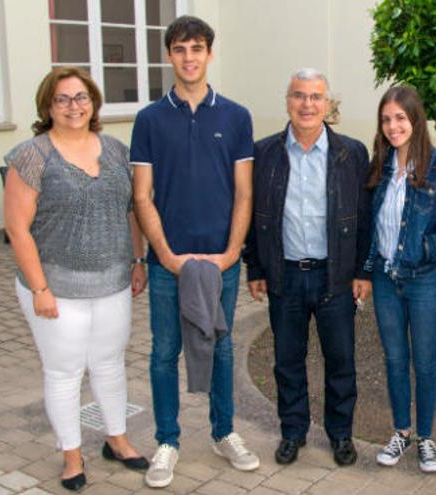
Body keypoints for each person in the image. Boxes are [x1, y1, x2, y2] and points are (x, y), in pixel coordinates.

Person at [3, 67, 149, 492]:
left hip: (114, 283)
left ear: (94, 102)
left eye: (81, 97)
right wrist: (40, 289)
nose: (74, 106)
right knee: (64, 372)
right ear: (48, 106)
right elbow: (17, 228)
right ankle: (71, 455)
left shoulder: (117, 150)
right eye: (63, 99)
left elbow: (130, 211)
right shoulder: (31, 156)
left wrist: (137, 260)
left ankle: (117, 439)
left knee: (109, 365)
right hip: (55, 287)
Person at [131, 16, 258, 488]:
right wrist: (163, 256)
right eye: (180, 48)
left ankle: (224, 433)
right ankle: (167, 441)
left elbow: (243, 194)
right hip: (171, 265)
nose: (189, 57)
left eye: (198, 48)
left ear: (209, 54)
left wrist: (230, 253)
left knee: (221, 349)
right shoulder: (149, 120)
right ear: (169, 55)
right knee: (165, 352)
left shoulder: (235, 116)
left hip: (219, 264)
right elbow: (142, 196)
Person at [244, 68, 371, 467]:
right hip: (284, 276)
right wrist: (255, 268)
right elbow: (251, 215)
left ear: (328, 104)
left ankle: (340, 434)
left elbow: (364, 217)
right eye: (299, 95)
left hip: (334, 277)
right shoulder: (264, 153)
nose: (307, 104)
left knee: (341, 362)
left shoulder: (351, 153)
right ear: (287, 102)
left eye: (316, 97)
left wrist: (363, 272)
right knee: (287, 361)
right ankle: (293, 432)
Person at [363, 86, 436, 473]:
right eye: (386, 119)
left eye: (401, 118)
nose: (393, 126)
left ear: (416, 120)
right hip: (385, 280)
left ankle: (426, 438)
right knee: (394, 359)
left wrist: (427, 248)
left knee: (424, 361)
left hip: (424, 281)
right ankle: (401, 432)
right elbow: (369, 225)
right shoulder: (379, 164)